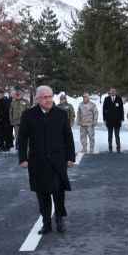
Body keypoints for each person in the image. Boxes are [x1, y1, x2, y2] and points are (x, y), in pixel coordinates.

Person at [18, 85, 76, 234]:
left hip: (57, 161)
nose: (48, 100)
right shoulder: (28, 115)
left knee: (58, 193)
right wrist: (22, 158)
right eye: (45, 97)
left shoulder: (61, 114)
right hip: (38, 162)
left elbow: (68, 137)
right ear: (38, 99)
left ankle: (60, 220)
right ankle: (46, 223)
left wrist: (70, 157)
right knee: (42, 194)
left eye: (50, 96)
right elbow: (22, 138)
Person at [103, 88, 124, 152]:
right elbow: (104, 109)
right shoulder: (106, 99)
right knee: (110, 135)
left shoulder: (119, 98)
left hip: (117, 121)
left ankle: (118, 147)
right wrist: (104, 119)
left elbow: (121, 109)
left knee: (117, 135)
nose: (112, 92)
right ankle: (110, 147)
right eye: (111, 91)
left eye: (114, 91)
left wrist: (122, 118)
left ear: (115, 92)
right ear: (109, 92)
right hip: (109, 121)